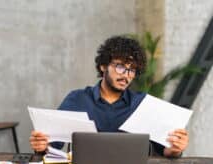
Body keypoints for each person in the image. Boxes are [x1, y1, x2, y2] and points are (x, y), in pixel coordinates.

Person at [30, 36, 189, 157]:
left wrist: (175, 148)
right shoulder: (77, 99)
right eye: (120, 66)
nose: (126, 75)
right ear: (103, 66)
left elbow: (165, 151)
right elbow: (51, 147)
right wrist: (41, 146)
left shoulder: (142, 103)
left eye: (131, 70)